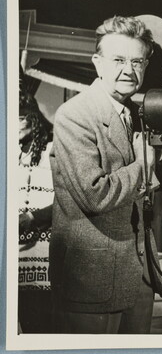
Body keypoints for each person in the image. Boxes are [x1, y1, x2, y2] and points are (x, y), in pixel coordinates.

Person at [49, 16, 162, 334]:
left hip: (138, 274)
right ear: (97, 63)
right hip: (91, 278)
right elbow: (94, 194)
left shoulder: (137, 115)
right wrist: (145, 164)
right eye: (118, 60)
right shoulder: (75, 115)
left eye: (137, 62)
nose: (129, 70)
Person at [18, 85, 54, 333]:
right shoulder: (10, 154)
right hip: (16, 257)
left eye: (21, 117)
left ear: (34, 119)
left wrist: (33, 217)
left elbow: (66, 200)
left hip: (43, 256)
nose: (15, 124)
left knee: (41, 327)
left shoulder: (51, 152)